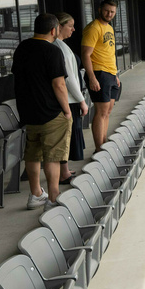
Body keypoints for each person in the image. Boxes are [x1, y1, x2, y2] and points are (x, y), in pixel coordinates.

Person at [11, 13, 72, 210]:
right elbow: (59, 84)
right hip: (51, 112)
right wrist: (66, 109)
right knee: (52, 155)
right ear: (54, 30)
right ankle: (53, 197)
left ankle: (36, 193)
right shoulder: (52, 51)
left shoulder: (22, 48)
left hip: (29, 111)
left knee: (33, 153)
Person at [82, 0, 120, 151]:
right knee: (101, 111)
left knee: (108, 111)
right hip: (99, 73)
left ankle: (103, 144)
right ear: (99, 10)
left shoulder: (109, 28)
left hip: (110, 73)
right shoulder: (93, 28)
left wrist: (115, 74)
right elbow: (85, 54)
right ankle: (99, 149)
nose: (109, 14)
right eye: (106, 11)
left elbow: (109, 53)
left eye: (112, 12)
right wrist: (92, 77)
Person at [55, 13, 88, 183]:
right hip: (69, 100)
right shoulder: (60, 48)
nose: (74, 29)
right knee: (67, 136)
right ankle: (63, 173)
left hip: (70, 99)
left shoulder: (61, 46)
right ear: (59, 27)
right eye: (70, 26)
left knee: (68, 136)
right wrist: (82, 100)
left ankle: (65, 170)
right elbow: (69, 79)